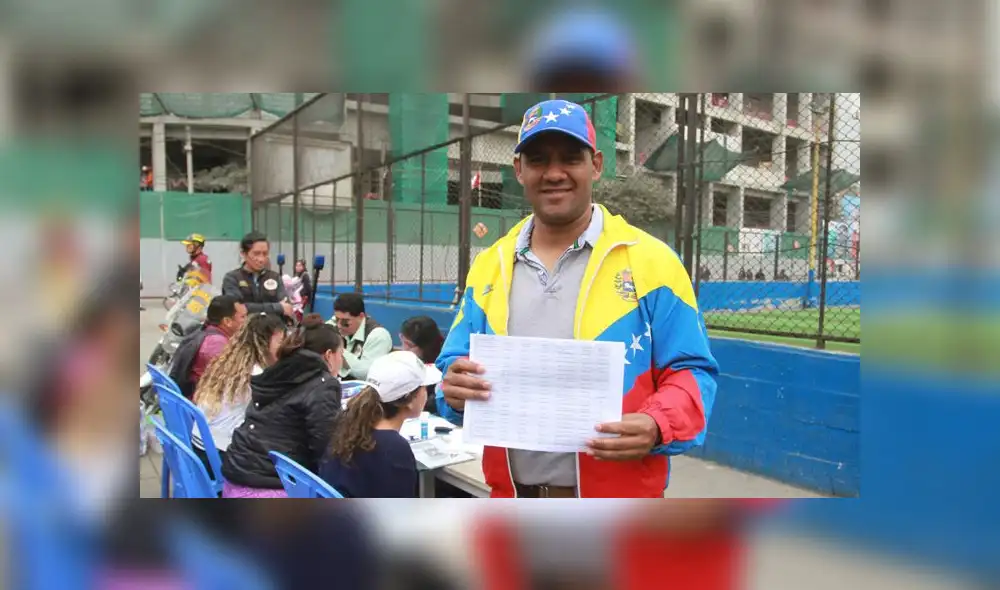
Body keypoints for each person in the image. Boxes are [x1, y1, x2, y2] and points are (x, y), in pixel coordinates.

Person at [436, 99, 719, 498]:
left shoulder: (653, 262)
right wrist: (454, 390)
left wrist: (657, 424)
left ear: (597, 165)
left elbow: (693, 372)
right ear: (519, 170)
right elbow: (453, 366)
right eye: (538, 160)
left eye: (571, 158)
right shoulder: (489, 265)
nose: (554, 173)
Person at [221, 314, 344, 498]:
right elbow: (326, 448)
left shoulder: (276, 371)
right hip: (269, 487)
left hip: (236, 476)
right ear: (329, 355)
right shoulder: (322, 384)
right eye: (341, 354)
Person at [321, 351, 440, 498]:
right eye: (424, 387)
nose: (426, 393)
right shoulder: (394, 448)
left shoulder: (349, 424)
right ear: (410, 399)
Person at [191, 312, 287, 467]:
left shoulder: (230, 360)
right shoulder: (257, 374)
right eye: (281, 342)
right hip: (217, 456)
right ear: (263, 343)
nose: (284, 348)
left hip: (200, 444)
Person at [167, 295, 247, 399]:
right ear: (227, 321)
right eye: (243, 317)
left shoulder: (204, 331)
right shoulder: (217, 344)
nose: (246, 321)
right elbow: (232, 381)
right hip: (204, 405)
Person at [221, 231, 295, 320]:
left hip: (272, 330)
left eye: (265, 254)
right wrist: (277, 307)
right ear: (243, 253)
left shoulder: (275, 277)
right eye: (256, 254)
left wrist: (249, 307)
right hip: (244, 331)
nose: (261, 259)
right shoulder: (232, 278)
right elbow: (238, 308)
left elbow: (287, 308)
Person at [326, 292, 392, 380]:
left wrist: (337, 347)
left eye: (345, 322)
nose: (339, 325)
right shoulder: (336, 322)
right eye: (337, 319)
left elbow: (366, 373)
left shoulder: (378, 336)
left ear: (361, 316)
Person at [399, 316, 445, 414]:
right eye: (402, 342)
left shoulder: (444, 365)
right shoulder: (408, 361)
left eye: (409, 345)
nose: (403, 349)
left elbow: (435, 403)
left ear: (426, 347)